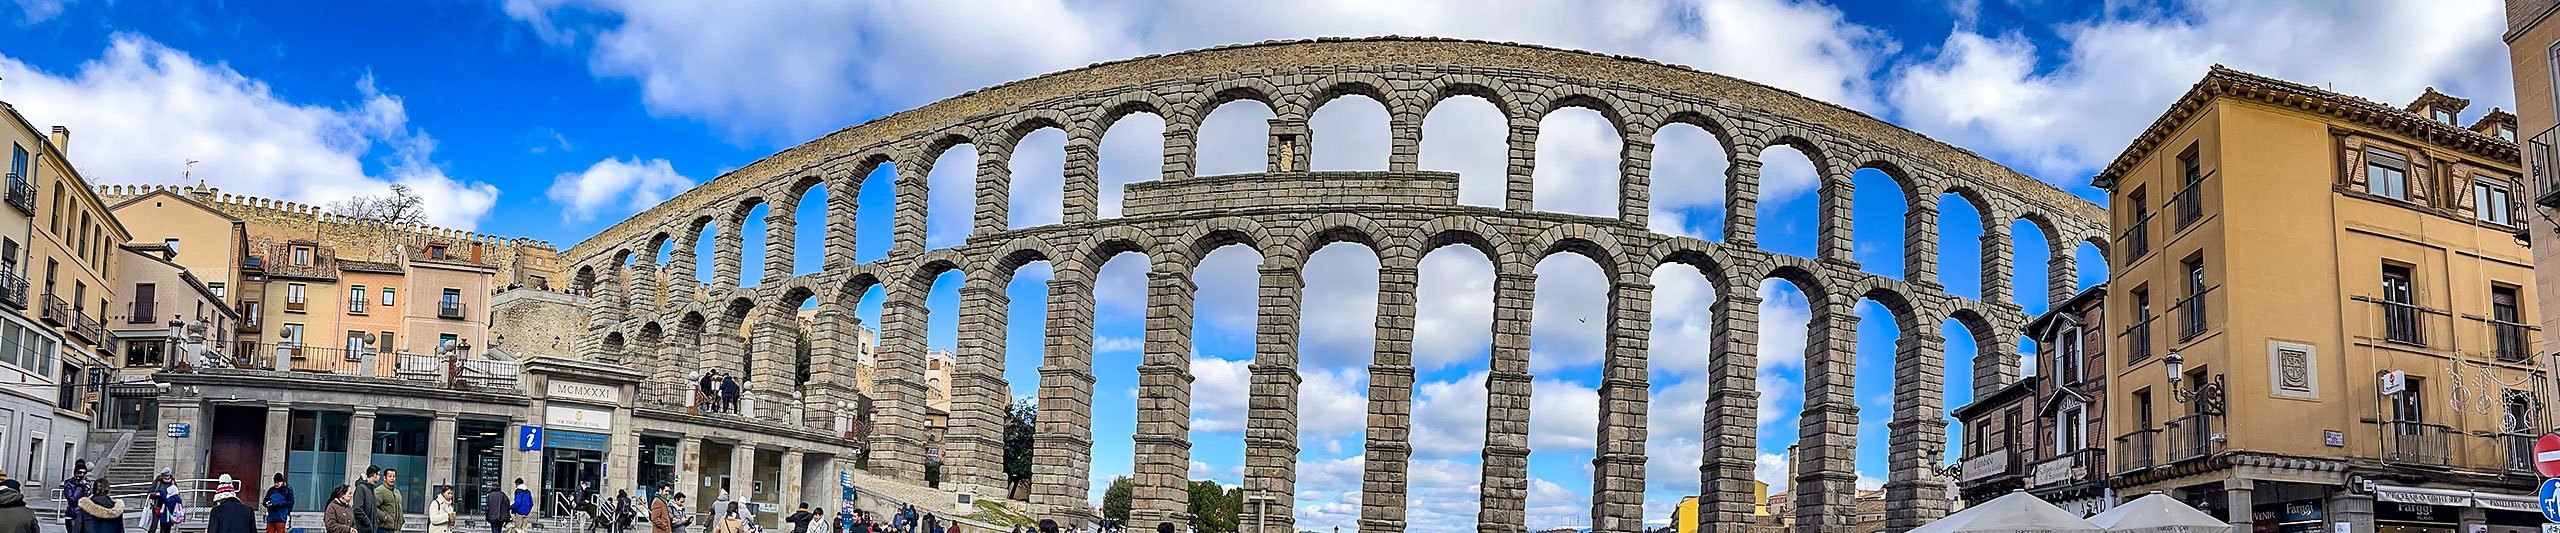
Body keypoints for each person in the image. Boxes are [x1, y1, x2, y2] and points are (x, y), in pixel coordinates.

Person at [350, 467, 381, 533]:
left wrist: (375, 522)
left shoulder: (370, 488)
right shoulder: (361, 488)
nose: (379, 477)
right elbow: (357, 509)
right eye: (379, 474)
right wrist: (368, 523)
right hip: (363, 529)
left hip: (370, 529)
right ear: (374, 475)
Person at [62, 466, 89, 533]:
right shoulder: (69, 484)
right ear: (75, 473)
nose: (82, 475)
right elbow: (72, 500)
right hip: (72, 515)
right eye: (79, 472)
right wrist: (79, 488)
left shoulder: (87, 483)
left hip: (84, 516)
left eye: (84, 473)